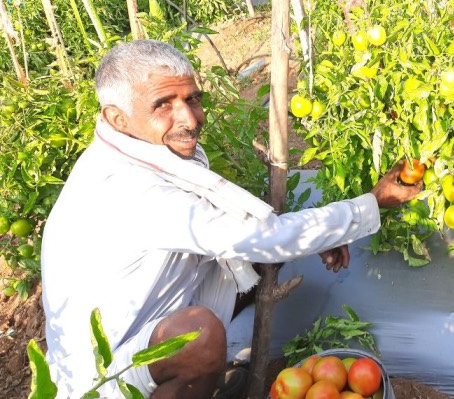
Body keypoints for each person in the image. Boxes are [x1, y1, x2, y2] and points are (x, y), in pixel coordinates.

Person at [40, 39, 421, 399]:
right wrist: (370, 203)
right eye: (163, 105)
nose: (188, 117)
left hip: (148, 317)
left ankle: (197, 374)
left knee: (255, 244)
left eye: (191, 99)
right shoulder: (128, 189)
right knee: (199, 335)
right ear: (118, 118)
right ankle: (192, 373)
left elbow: (247, 229)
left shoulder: (142, 152)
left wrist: (322, 233)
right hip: (104, 375)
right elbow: (260, 236)